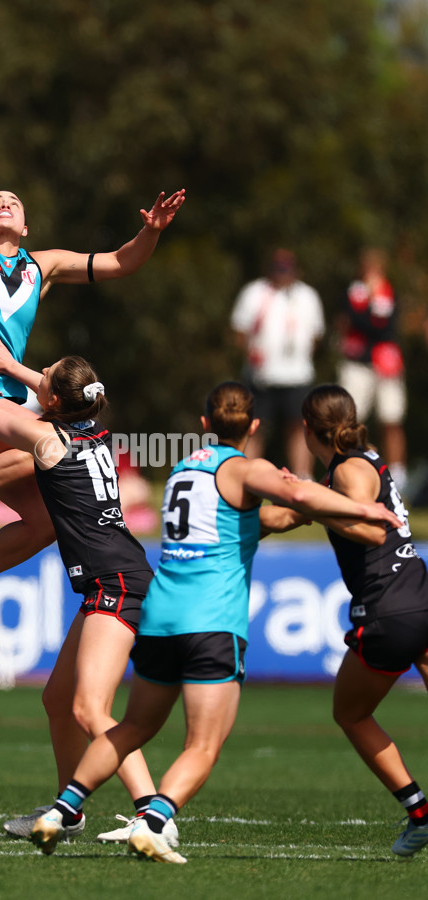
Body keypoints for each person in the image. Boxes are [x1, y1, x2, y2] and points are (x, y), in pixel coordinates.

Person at [26, 381, 402, 863]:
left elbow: (263, 518)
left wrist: (297, 512)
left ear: (205, 425)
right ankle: (154, 820)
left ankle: (60, 811)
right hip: (211, 619)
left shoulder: (183, 469)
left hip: (160, 616)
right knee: (203, 745)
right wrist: (359, 507)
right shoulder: (245, 469)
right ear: (254, 427)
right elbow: (294, 494)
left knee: (131, 728)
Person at [0, 303, 179, 848]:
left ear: (52, 402)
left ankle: (152, 814)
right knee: (58, 700)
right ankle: (73, 811)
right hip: (116, 578)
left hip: (116, 584)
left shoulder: (46, 441)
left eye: (45, 382)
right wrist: (16, 367)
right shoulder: (92, 429)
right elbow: (59, 389)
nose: (40, 384)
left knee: (89, 707)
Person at [0, 70, 185, 595]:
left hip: (7, 405)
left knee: (44, 525)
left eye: (14, 200)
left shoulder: (45, 267)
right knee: (48, 440)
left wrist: (148, 232)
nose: (4, 201)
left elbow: (121, 264)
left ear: (28, 228)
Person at [301, 384, 428, 858]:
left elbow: (372, 529)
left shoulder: (349, 470)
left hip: (387, 606)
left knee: (350, 712)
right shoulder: (367, 458)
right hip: (419, 591)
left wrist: (313, 505)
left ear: (307, 429)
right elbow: (306, 512)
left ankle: (418, 812)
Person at [230, 248, 325, 479]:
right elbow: (239, 330)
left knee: (299, 427)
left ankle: (302, 476)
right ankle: (247, 475)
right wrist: (250, 353)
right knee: (254, 427)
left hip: (297, 374)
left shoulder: (307, 295)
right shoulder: (254, 292)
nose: (283, 274)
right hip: (261, 375)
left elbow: (316, 334)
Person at [337, 248, 407, 491]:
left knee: (391, 417)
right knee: (352, 417)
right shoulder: (353, 292)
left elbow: (387, 327)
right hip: (358, 361)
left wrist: (370, 312)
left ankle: (398, 473)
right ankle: (349, 463)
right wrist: (369, 310)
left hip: (385, 362)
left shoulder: (389, 293)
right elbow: (356, 321)